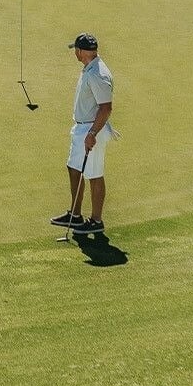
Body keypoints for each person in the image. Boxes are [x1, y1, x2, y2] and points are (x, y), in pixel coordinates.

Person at [51, 33, 114, 235]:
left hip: (91, 129)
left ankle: (96, 221)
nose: (75, 53)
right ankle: (75, 216)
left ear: (81, 51)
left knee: (94, 175)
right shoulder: (89, 68)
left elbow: (106, 108)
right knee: (73, 168)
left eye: (76, 50)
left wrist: (92, 133)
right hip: (83, 128)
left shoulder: (98, 74)